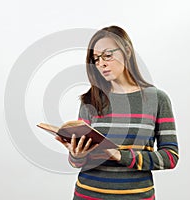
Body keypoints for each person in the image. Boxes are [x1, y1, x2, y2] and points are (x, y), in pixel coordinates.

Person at [55, 25, 179, 200]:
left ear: (127, 51)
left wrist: (122, 155)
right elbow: (77, 163)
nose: (101, 63)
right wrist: (76, 156)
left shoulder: (157, 99)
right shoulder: (90, 100)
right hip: (87, 194)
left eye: (107, 55)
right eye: (96, 59)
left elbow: (170, 157)